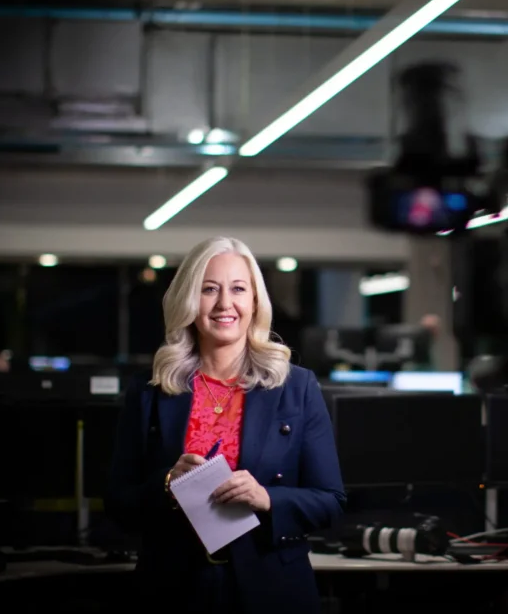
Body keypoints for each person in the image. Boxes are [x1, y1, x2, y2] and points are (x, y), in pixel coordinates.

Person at [106, 236, 345, 612]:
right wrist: (167, 484)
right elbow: (118, 502)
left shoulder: (296, 387)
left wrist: (267, 498)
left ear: (254, 301)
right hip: (172, 587)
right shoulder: (150, 390)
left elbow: (331, 502)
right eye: (209, 289)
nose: (224, 304)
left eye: (238, 289)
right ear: (188, 300)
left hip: (271, 589)